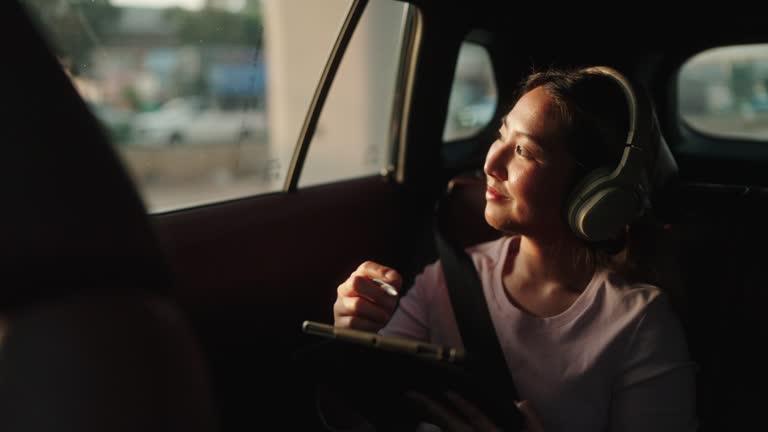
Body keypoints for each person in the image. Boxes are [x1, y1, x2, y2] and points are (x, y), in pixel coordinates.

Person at [332, 66, 697, 432]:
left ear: (593, 192)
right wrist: (352, 334)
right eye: (501, 135)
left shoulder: (638, 324)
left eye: (524, 150)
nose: (490, 164)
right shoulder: (448, 280)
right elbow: (369, 409)